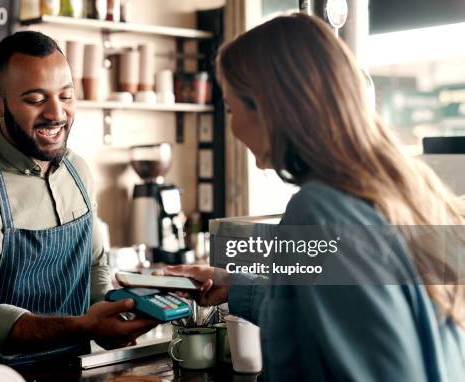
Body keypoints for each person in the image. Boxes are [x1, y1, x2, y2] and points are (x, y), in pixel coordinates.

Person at [162, 13, 465, 381]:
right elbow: (335, 300)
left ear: (269, 109)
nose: (232, 125)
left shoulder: (319, 210)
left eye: (230, 108)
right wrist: (233, 285)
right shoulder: (404, 186)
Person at [0, 31, 157, 365]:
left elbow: (94, 265)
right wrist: (83, 326)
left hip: (75, 368)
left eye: (66, 96)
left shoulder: (78, 171)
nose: (56, 113)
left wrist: (113, 313)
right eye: (35, 100)